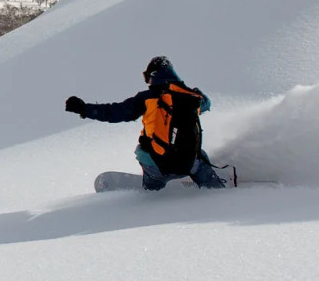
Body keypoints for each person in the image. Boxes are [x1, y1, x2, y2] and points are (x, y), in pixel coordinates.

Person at [65, 55, 227, 191]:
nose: (148, 81)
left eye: (147, 77)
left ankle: (150, 192)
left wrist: (84, 109)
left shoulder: (148, 98)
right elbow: (207, 103)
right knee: (200, 155)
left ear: (154, 75)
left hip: (157, 165)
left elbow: (115, 113)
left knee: (147, 156)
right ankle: (214, 187)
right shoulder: (192, 98)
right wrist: (197, 93)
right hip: (190, 163)